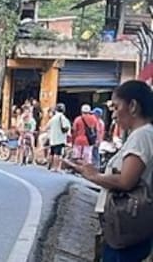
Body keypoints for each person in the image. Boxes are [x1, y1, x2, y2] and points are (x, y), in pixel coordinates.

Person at [64, 80, 153, 262]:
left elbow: (125, 181)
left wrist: (93, 176)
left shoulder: (142, 135)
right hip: (128, 227)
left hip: (128, 226)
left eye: (116, 107)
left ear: (133, 106)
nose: (113, 114)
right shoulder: (142, 134)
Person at [45, 103, 71, 172]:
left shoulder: (53, 118)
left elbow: (47, 127)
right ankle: (56, 167)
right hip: (60, 139)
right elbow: (67, 129)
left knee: (52, 153)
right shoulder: (64, 118)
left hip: (53, 138)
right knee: (58, 154)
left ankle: (49, 166)